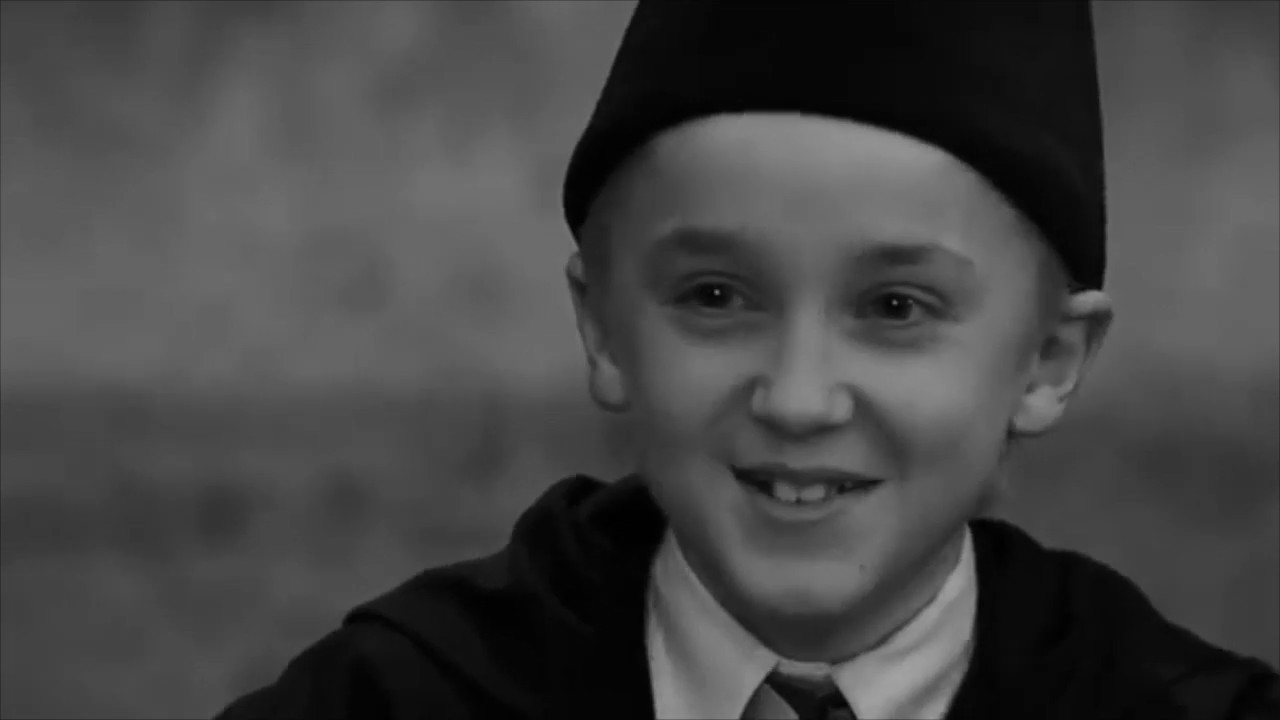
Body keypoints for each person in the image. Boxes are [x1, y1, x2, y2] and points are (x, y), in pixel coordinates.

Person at [214, 2, 1280, 718]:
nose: (798, 398)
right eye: (715, 298)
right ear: (602, 328)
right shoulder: (394, 700)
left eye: (895, 307)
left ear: (1046, 360)